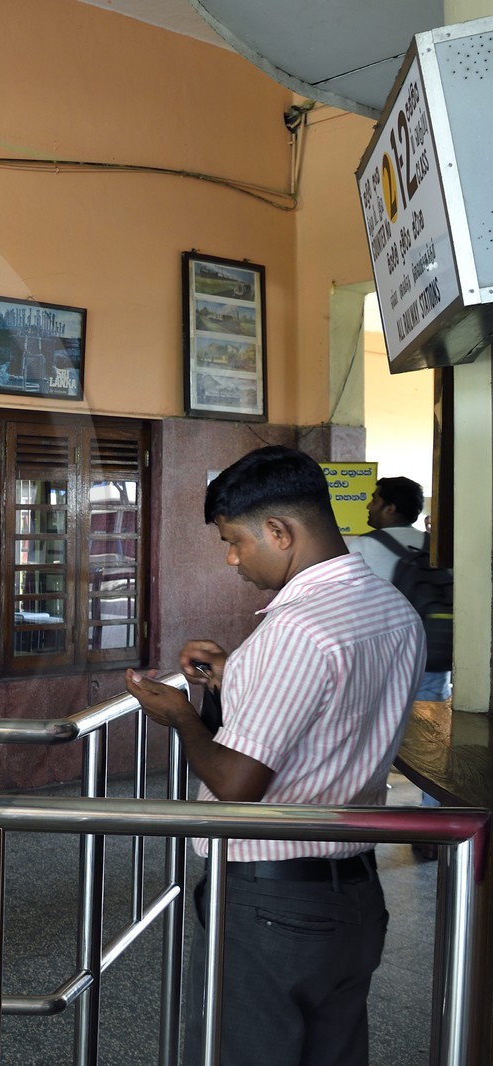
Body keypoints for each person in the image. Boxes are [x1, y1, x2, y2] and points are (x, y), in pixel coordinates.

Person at [123, 445, 422, 1066]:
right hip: (353, 900)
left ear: (280, 531)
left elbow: (237, 785)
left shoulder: (297, 627)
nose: (233, 558)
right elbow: (331, 714)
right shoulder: (391, 610)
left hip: (273, 909)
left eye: (234, 540)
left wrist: (178, 715)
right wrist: (231, 680)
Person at [350, 475, 448, 701]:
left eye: (374, 500)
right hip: (433, 660)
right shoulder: (436, 548)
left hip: (386, 665)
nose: (368, 505)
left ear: (390, 508)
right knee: (430, 729)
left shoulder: (361, 546)